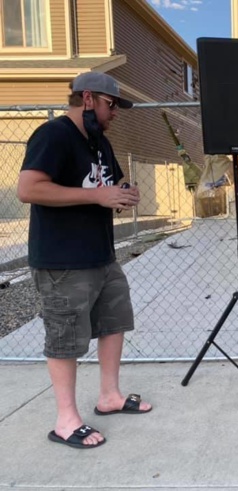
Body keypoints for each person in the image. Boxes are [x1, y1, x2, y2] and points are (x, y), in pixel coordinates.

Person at [17, 72, 151, 449]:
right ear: (88, 99)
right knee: (64, 337)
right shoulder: (54, 135)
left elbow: (108, 187)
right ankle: (65, 420)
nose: (115, 114)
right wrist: (97, 197)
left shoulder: (99, 143)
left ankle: (109, 396)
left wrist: (124, 193)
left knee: (114, 322)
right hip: (63, 260)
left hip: (101, 255)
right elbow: (29, 189)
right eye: (112, 105)